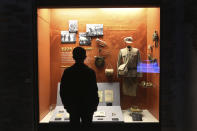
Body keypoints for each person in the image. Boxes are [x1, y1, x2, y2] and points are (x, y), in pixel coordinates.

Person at [60, 47, 99, 131]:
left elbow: (63, 91)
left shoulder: (68, 72)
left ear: (73, 57)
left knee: (74, 127)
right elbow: (94, 91)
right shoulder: (90, 72)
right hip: (87, 107)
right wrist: (94, 105)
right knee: (87, 127)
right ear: (85, 57)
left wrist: (67, 106)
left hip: (73, 107)